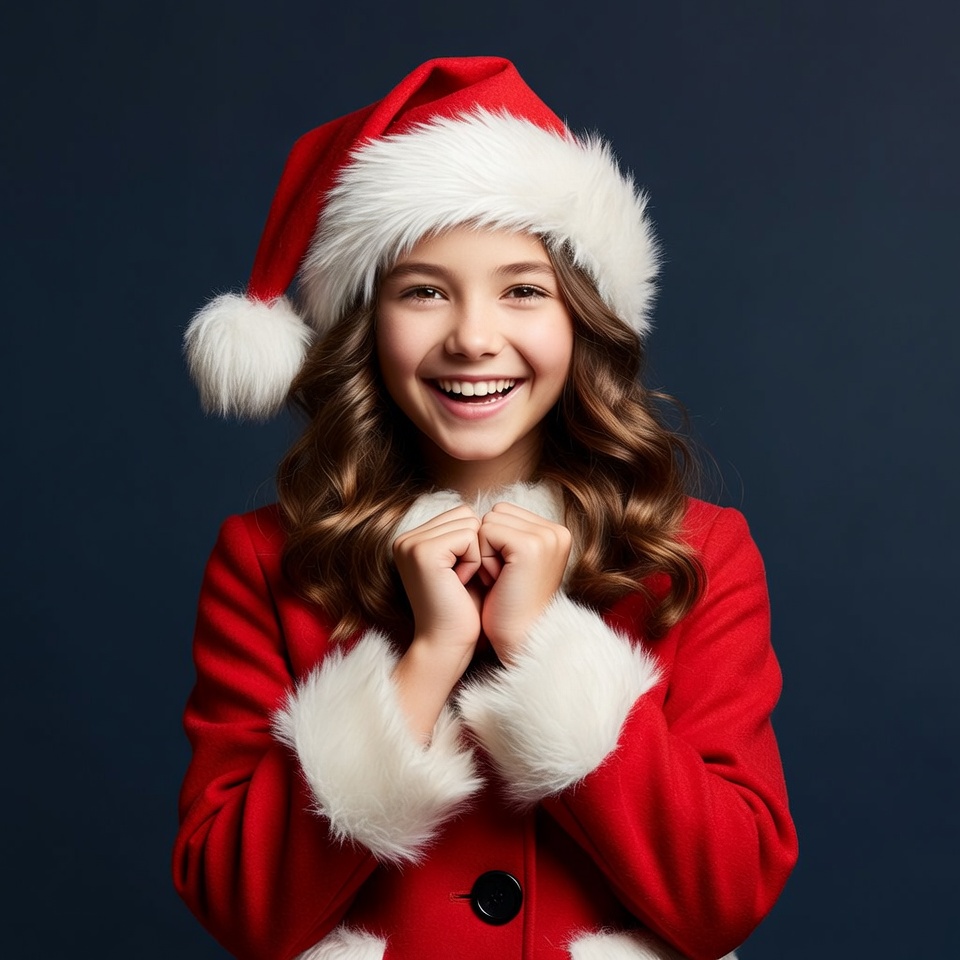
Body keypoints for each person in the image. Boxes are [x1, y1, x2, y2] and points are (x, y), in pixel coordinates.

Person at [173, 56, 798, 960]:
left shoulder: (696, 552)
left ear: (582, 317)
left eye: (523, 290)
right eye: (424, 291)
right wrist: (425, 660)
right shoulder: (268, 560)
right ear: (367, 324)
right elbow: (240, 906)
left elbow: (725, 898)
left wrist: (544, 643)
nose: (473, 337)